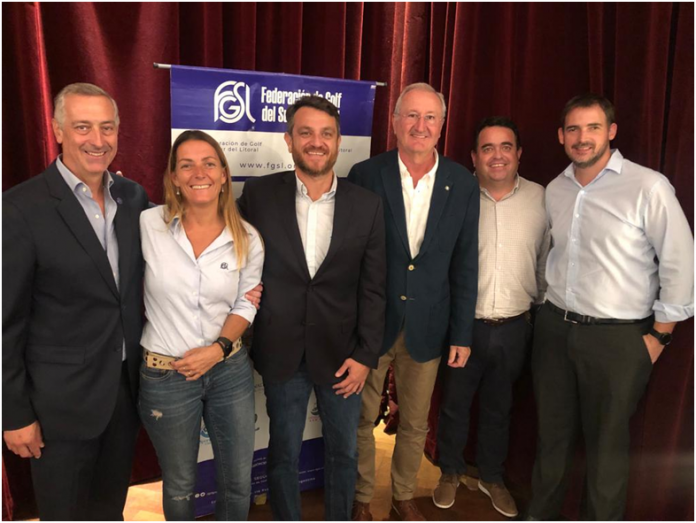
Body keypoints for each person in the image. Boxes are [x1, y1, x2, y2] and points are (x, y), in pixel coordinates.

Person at [527, 94, 694, 520]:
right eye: (574, 129)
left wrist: (658, 337)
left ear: (611, 132)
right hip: (555, 330)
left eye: (593, 127)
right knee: (551, 441)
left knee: (607, 451)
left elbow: (681, 262)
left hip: (618, 340)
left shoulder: (648, 186)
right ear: (561, 136)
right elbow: (550, 254)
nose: (583, 138)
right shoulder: (555, 189)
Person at [2, 83, 149, 520]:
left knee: (109, 512)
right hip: (57, 408)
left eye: (107, 127)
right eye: (83, 127)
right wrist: (12, 414)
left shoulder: (134, 197)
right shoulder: (19, 209)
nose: (97, 140)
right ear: (58, 130)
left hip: (123, 395)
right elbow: (5, 321)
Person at [237, 95, 386, 521]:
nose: (316, 142)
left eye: (326, 133)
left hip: (344, 356)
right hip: (281, 350)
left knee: (343, 450)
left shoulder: (367, 205)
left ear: (339, 142)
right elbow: (235, 258)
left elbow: (375, 288)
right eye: (305, 132)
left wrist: (365, 356)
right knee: (282, 450)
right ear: (289, 140)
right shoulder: (259, 195)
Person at [347, 82, 480, 521]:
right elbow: (350, 256)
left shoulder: (462, 182)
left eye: (430, 118)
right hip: (371, 324)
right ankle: (362, 498)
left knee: (416, 422)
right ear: (395, 122)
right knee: (360, 419)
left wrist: (462, 332)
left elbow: (464, 264)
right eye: (411, 115)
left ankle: (403, 497)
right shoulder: (367, 175)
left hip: (429, 325)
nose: (420, 126)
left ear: (441, 126)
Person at [138, 130, 264, 521]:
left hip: (229, 371)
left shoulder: (248, 238)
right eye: (186, 164)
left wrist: (217, 350)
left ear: (224, 174)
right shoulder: (145, 225)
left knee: (238, 480)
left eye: (209, 163)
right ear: (173, 177)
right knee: (178, 486)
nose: (199, 172)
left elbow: (247, 300)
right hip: (166, 375)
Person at [432, 117, 549, 518]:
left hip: (516, 326)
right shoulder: (456, 197)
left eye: (505, 147)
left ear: (518, 154)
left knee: (500, 407)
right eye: (487, 148)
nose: (496, 156)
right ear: (473, 157)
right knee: (454, 405)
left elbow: (547, 260)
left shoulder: (541, 198)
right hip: (464, 326)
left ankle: (492, 477)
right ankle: (449, 470)